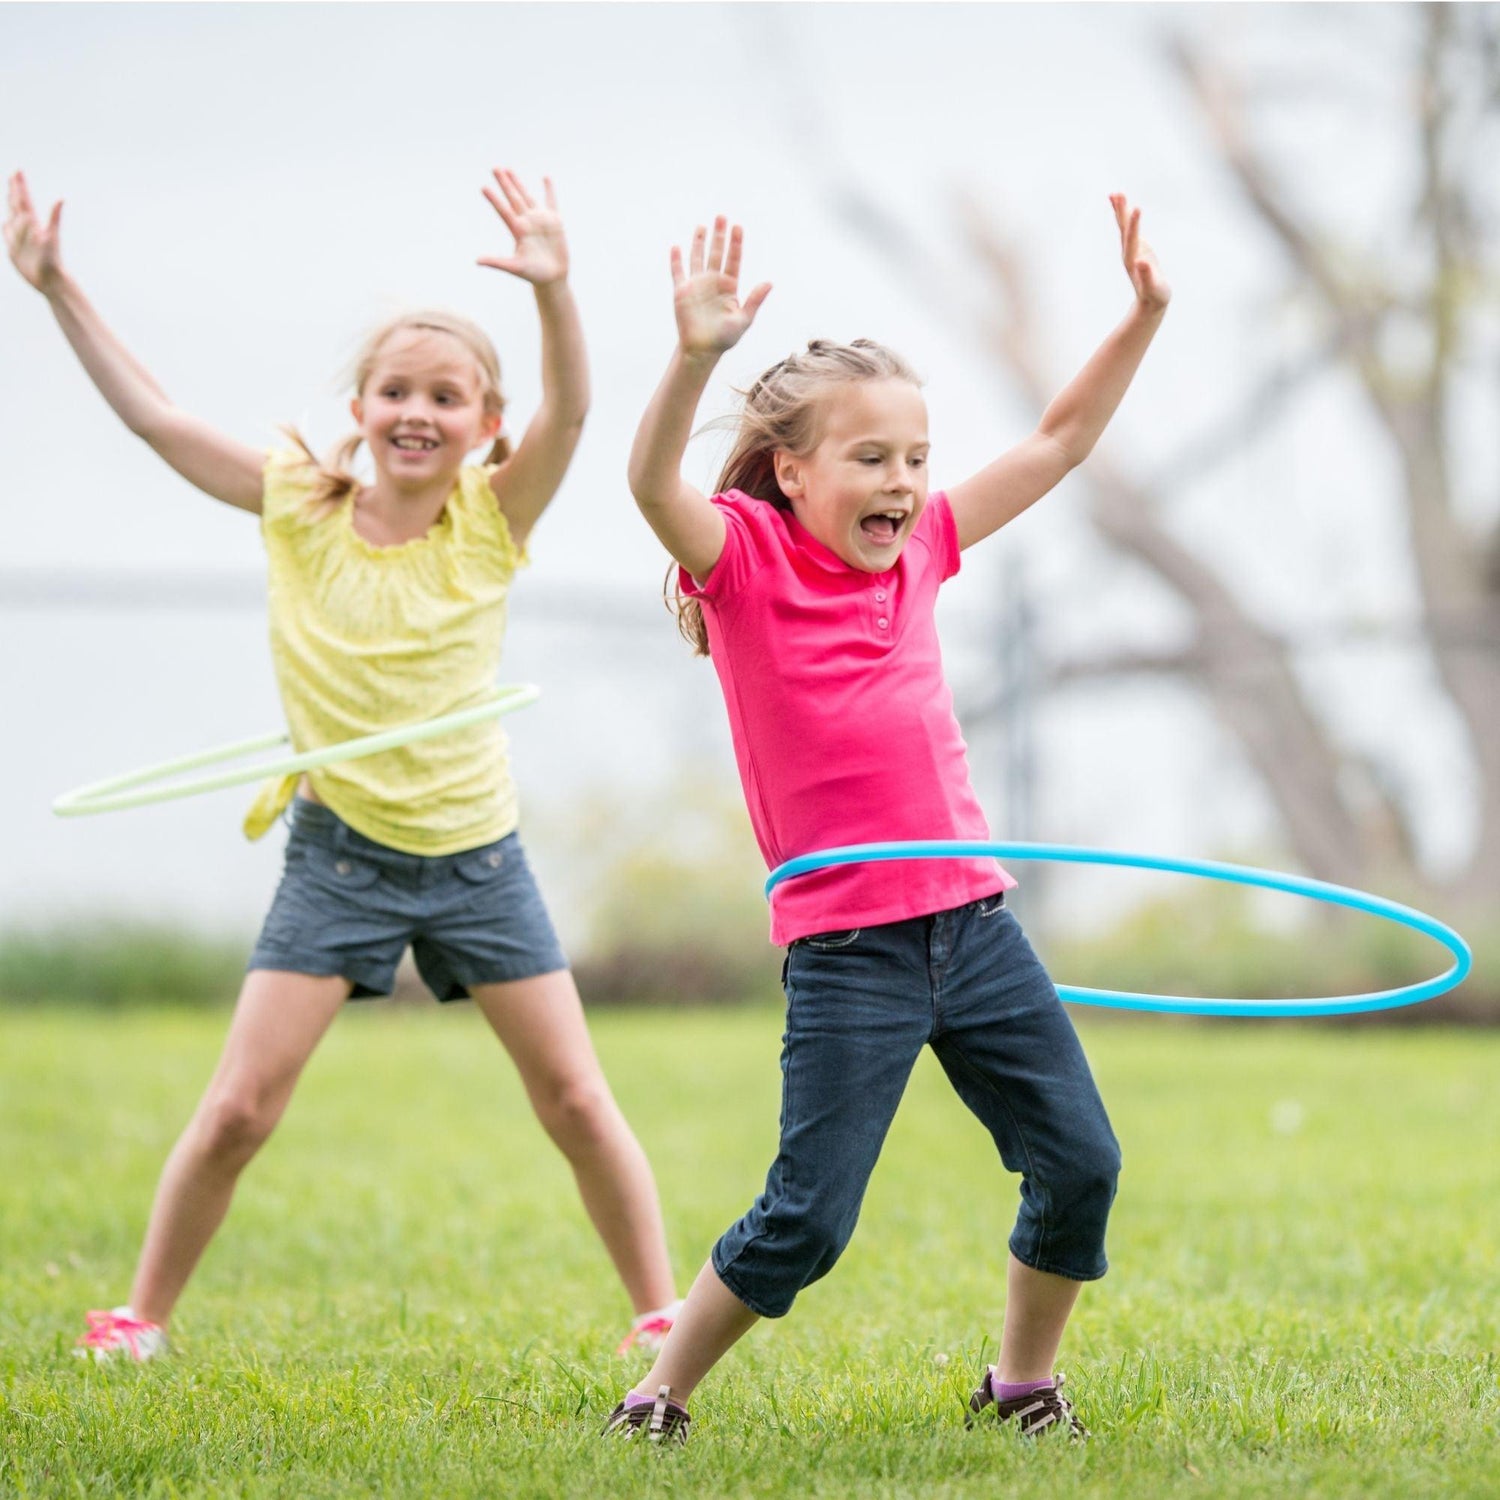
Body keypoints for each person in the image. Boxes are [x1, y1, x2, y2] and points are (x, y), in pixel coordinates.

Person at [4, 167, 680, 1362]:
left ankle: (658, 1313)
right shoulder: (298, 509)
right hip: (341, 857)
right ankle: (139, 1318)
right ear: (360, 408)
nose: (418, 411)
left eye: (447, 397)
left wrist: (556, 290)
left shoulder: (491, 523)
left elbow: (575, 416)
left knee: (576, 1100)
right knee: (239, 1110)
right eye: (395, 391)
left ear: (486, 428)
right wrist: (57, 287)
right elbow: (157, 419)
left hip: (478, 856)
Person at [606, 199, 1169, 1444]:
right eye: (871, 460)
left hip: (973, 927)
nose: (903, 484)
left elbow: (1064, 440)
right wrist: (693, 353)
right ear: (792, 471)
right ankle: (657, 1397)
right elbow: (648, 482)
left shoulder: (925, 549)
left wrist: (1142, 316)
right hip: (851, 948)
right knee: (808, 1218)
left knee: (1082, 1163)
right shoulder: (745, 560)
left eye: (915, 458)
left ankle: (1022, 1386)